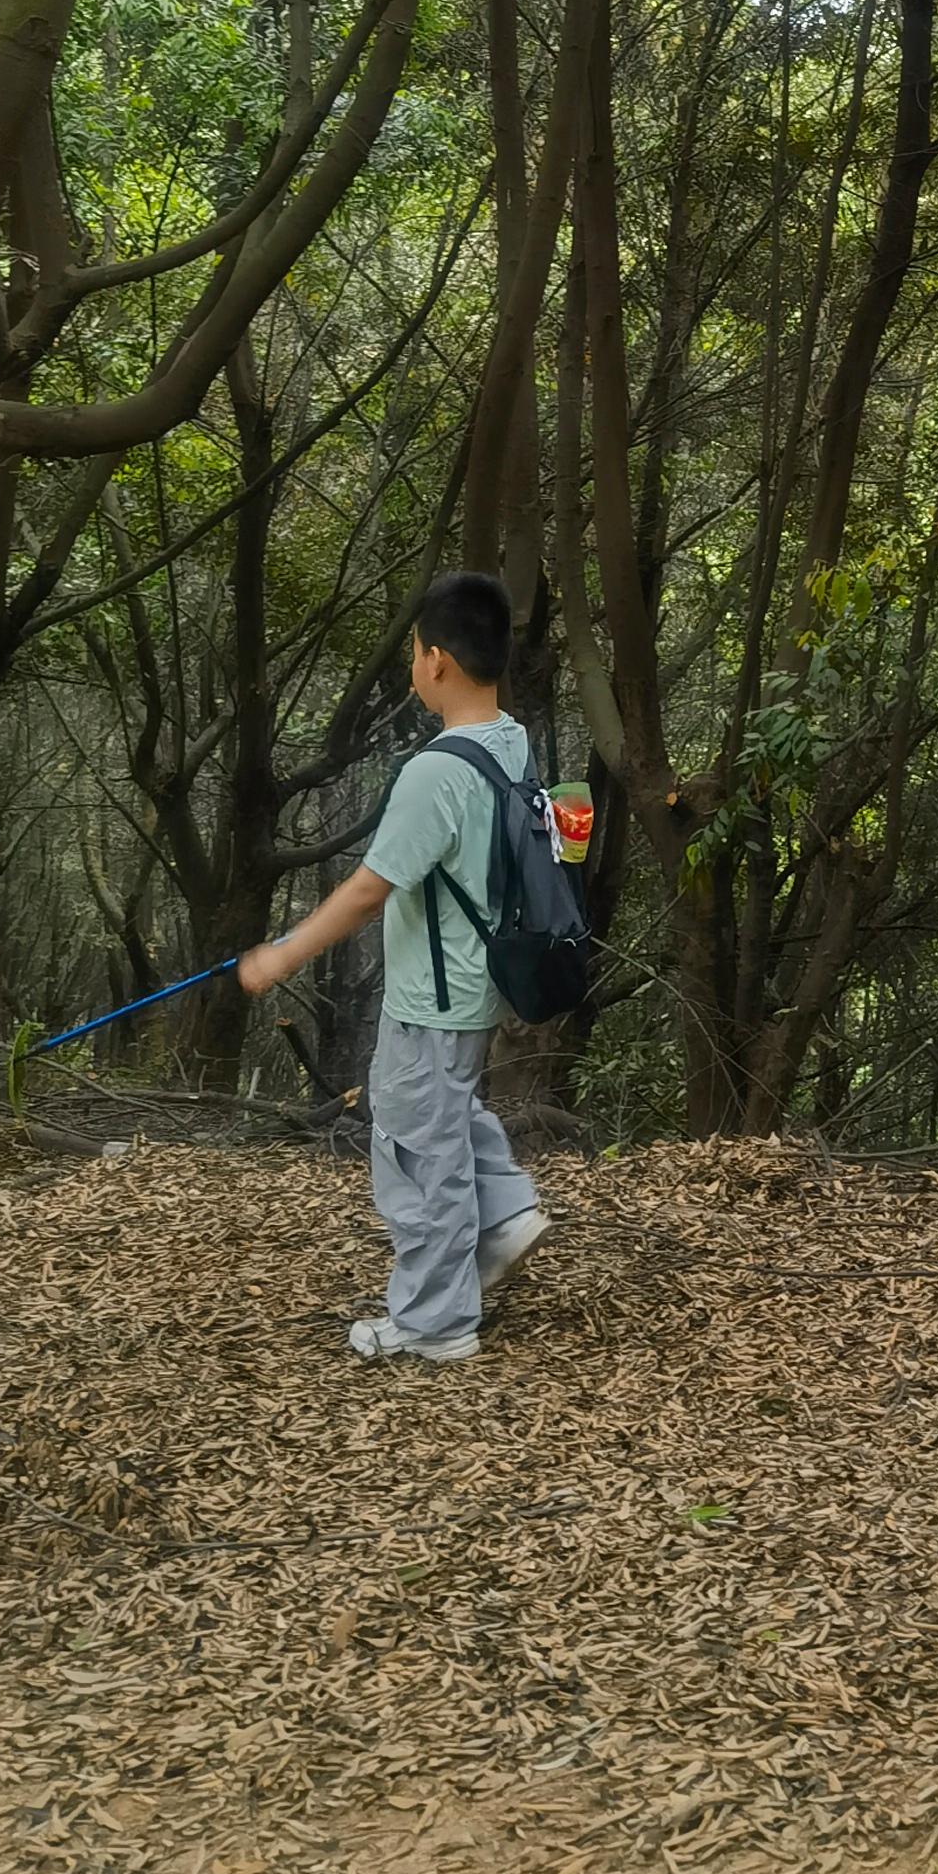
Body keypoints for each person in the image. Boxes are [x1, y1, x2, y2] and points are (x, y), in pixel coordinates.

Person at [239, 567, 549, 1363]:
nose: (414, 663)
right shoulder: (509, 742)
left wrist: (281, 953)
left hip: (433, 996)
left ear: (437, 660)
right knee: (440, 1113)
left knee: (417, 1156)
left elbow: (369, 889)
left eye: (415, 650)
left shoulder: (436, 772)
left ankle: (435, 1323)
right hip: (481, 981)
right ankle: (507, 1213)